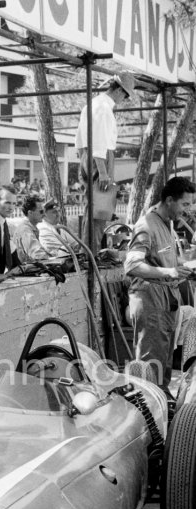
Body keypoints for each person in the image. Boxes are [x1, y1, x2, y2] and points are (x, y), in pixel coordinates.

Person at [124, 176, 196, 393]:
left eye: (191, 204)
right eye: (184, 204)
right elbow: (132, 265)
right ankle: (148, 412)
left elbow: (166, 261)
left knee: (163, 364)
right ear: (169, 200)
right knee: (149, 366)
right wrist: (170, 271)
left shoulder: (167, 224)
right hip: (149, 299)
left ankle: (163, 408)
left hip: (166, 301)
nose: (188, 209)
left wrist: (185, 268)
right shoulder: (147, 225)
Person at [75, 71, 138, 252]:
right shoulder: (103, 107)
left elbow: (79, 140)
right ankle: (90, 255)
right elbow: (100, 141)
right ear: (119, 90)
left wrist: (85, 161)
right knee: (99, 212)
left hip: (90, 156)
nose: (124, 99)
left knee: (94, 211)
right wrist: (102, 171)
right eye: (125, 95)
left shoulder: (92, 104)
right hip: (100, 158)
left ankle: (88, 253)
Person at [12, 196, 52, 263]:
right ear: (30, 213)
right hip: (25, 270)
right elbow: (38, 254)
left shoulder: (31, 227)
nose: (44, 214)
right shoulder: (25, 230)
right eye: (41, 211)